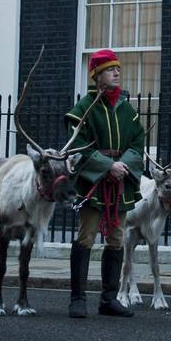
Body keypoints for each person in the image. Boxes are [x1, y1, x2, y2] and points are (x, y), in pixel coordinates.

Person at [65, 49, 145, 318]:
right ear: (97, 76)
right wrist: (107, 165)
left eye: (118, 69)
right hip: (93, 183)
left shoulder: (128, 111)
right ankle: (77, 299)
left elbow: (137, 143)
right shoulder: (83, 109)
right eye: (111, 70)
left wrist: (122, 165)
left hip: (120, 181)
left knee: (116, 237)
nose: (117, 73)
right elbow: (76, 147)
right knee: (86, 236)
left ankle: (108, 299)